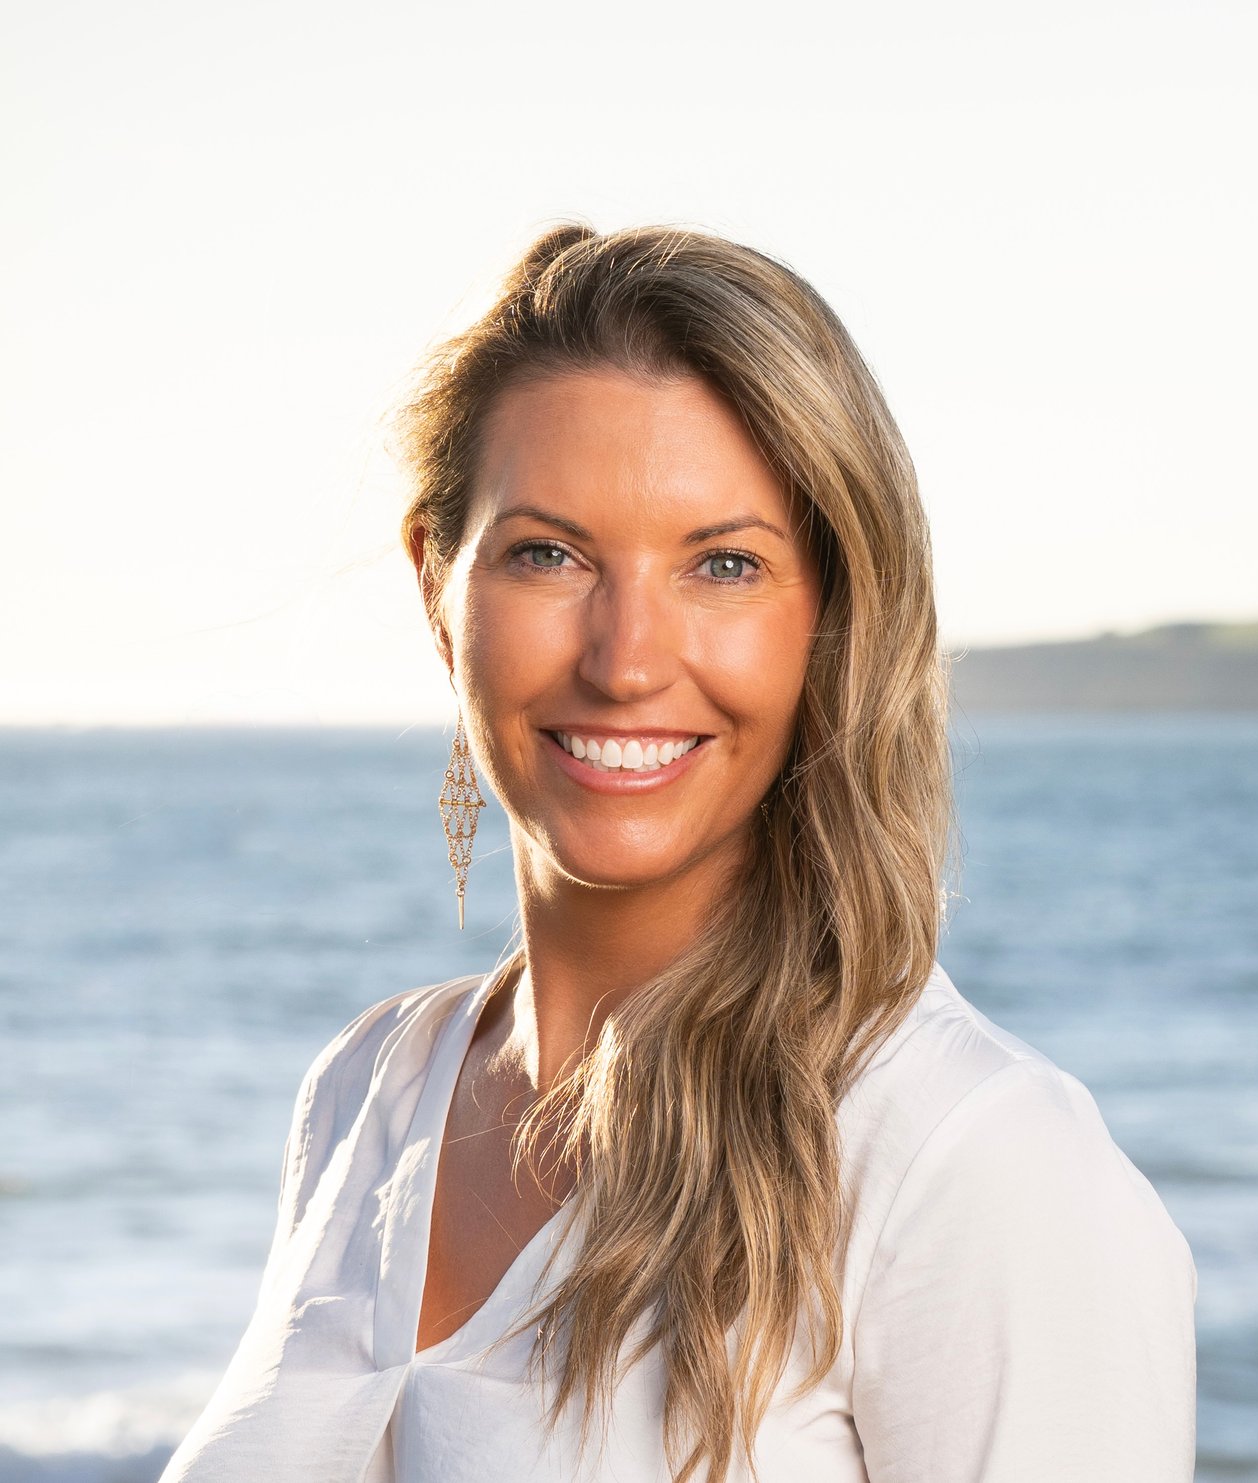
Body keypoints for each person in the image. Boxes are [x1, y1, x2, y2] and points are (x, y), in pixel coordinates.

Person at [159, 223, 1197, 1483]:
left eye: (723, 565)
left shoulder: (969, 1162)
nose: (626, 656)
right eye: (548, 553)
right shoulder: (369, 1088)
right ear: (439, 582)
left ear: (832, 616)